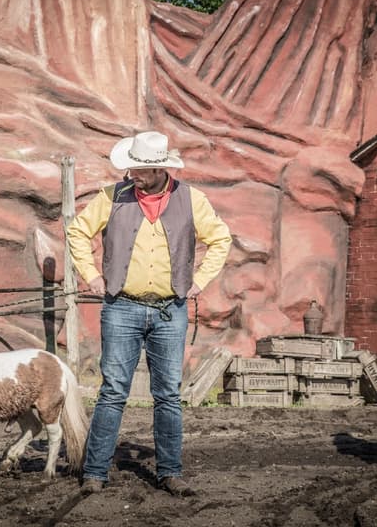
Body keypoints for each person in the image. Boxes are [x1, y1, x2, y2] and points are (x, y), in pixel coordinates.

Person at [66, 130, 232, 497]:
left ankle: (170, 472)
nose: (131, 175)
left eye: (139, 170)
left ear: (159, 168)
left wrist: (201, 280)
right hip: (121, 307)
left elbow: (221, 239)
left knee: (169, 395)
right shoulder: (112, 196)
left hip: (170, 311)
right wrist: (90, 275)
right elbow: (77, 231)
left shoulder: (192, 199)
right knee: (112, 391)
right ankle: (94, 472)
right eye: (130, 168)